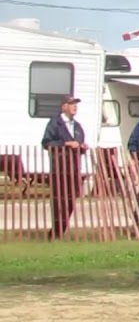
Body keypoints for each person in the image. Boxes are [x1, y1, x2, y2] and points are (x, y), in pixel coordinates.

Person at [40, 95, 87, 239]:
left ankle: (59, 231)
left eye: (76, 104)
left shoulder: (77, 126)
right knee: (59, 201)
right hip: (59, 169)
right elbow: (47, 143)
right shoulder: (55, 123)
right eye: (71, 103)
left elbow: (79, 144)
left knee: (71, 201)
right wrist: (66, 144)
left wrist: (83, 147)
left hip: (73, 170)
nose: (74, 106)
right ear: (63, 106)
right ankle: (56, 232)